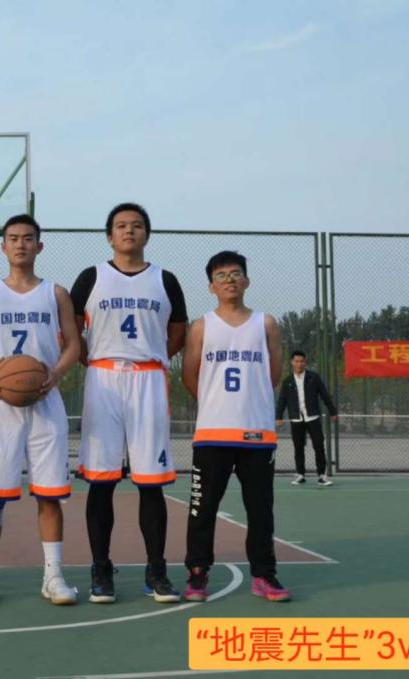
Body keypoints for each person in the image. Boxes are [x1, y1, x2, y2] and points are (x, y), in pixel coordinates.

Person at [70, 203, 187, 603]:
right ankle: (100, 569)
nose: (129, 231)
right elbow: (70, 329)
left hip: (148, 379)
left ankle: (156, 570)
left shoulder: (165, 280)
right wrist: (92, 360)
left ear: (146, 234)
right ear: (109, 236)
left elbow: (177, 332)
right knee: (101, 482)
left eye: (137, 225)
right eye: (121, 226)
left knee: (150, 484)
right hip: (103, 379)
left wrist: (152, 356)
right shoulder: (92, 277)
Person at [0, 214, 82, 607]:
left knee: (49, 495)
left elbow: (73, 345)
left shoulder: (56, 293)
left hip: (45, 402)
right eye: (13, 238)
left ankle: (53, 576)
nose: (20, 244)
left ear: (39, 246)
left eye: (28, 238)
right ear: (3, 246)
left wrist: (55, 373)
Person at [181, 251, 291, 603]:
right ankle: (198, 573)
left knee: (260, 511)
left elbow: (273, 374)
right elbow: (190, 375)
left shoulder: (265, 324)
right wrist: (216, 405)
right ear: (211, 286)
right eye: (221, 275)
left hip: (256, 435)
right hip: (212, 434)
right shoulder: (201, 327)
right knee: (202, 509)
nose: (229, 280)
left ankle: (264, 574)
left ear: (247, 281)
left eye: (235, 274)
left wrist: (250, 403)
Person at [275, 350, 338, 487]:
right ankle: (300, 475)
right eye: (297, 361)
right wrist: (278, 416)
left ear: (305, 362)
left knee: (319, 446)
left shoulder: (313, 378)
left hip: (312, 417)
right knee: (298, 448)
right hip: (296, 419)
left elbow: (324, 395)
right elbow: (282, 400)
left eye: (302, 361)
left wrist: (333, 412)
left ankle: (322, 475)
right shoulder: (288, 381)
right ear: (292, 362)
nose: (299, 364)